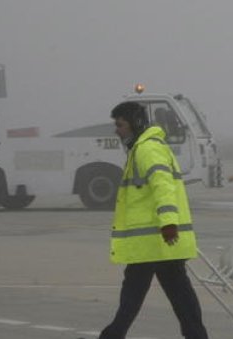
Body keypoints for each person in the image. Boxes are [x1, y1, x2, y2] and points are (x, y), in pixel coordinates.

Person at [94, 100, 208, 339]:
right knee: (177, 296)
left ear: (135, 124)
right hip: (156, 243)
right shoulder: (142, 148)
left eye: (121, 124)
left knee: (138, 296)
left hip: (156, 240)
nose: (117, 130)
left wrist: (168, 222)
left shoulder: (148, 149)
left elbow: (162, 186)